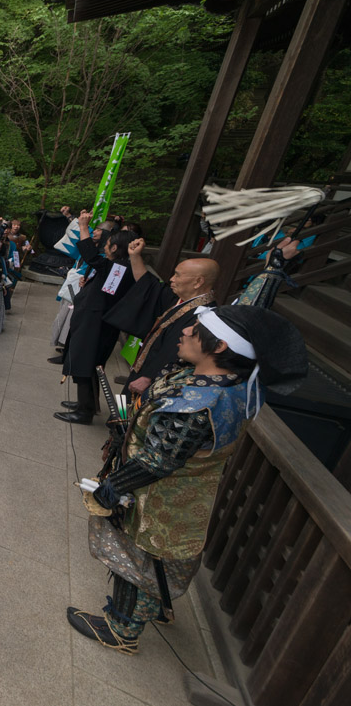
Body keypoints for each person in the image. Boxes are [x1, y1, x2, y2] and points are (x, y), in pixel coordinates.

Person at [68, 300, 307, 654]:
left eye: (194, 332)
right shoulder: (234, 384)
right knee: (160, 557)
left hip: (157, 494)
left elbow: (156, 462)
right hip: (190, 492)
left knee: (133, 555)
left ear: (220, 347)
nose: (183, 332)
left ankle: (121, 628)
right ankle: (153, 607)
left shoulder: (197, 404)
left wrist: (111, 487)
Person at [100, 237, 219, 398]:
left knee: (136, 418)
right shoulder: (179, 300)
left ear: (198, 282)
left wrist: (149, 377)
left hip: (159, 381)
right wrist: (135, 256)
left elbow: (179, 355)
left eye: (177, 275)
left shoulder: (207, 317)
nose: (172, 279)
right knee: (123, 414)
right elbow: (149, 285)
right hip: (143, 368)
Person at [55, 213, 139, 424]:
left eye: (107, 243)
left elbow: (91, 257)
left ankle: (84, 412)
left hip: (95, 325)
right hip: (95, 321)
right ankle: (88, 404)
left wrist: (84, 227)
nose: (104, 246)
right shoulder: (120, 267)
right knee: (90, 365)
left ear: (114, 248)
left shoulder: (120, 267)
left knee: (85, 364)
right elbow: (106, 288)